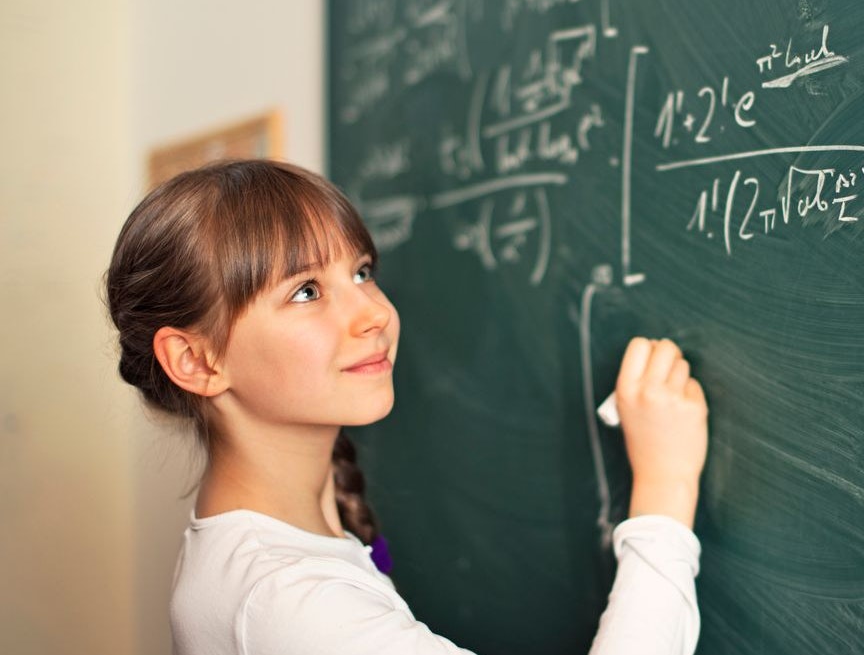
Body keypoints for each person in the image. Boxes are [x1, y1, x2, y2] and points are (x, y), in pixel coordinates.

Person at [106, 159, 710, 655]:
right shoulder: (290, 602)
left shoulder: (267, 550)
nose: (376, 313)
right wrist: (666, 487)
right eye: (307, 291)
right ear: (197, 360)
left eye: (362, 272)